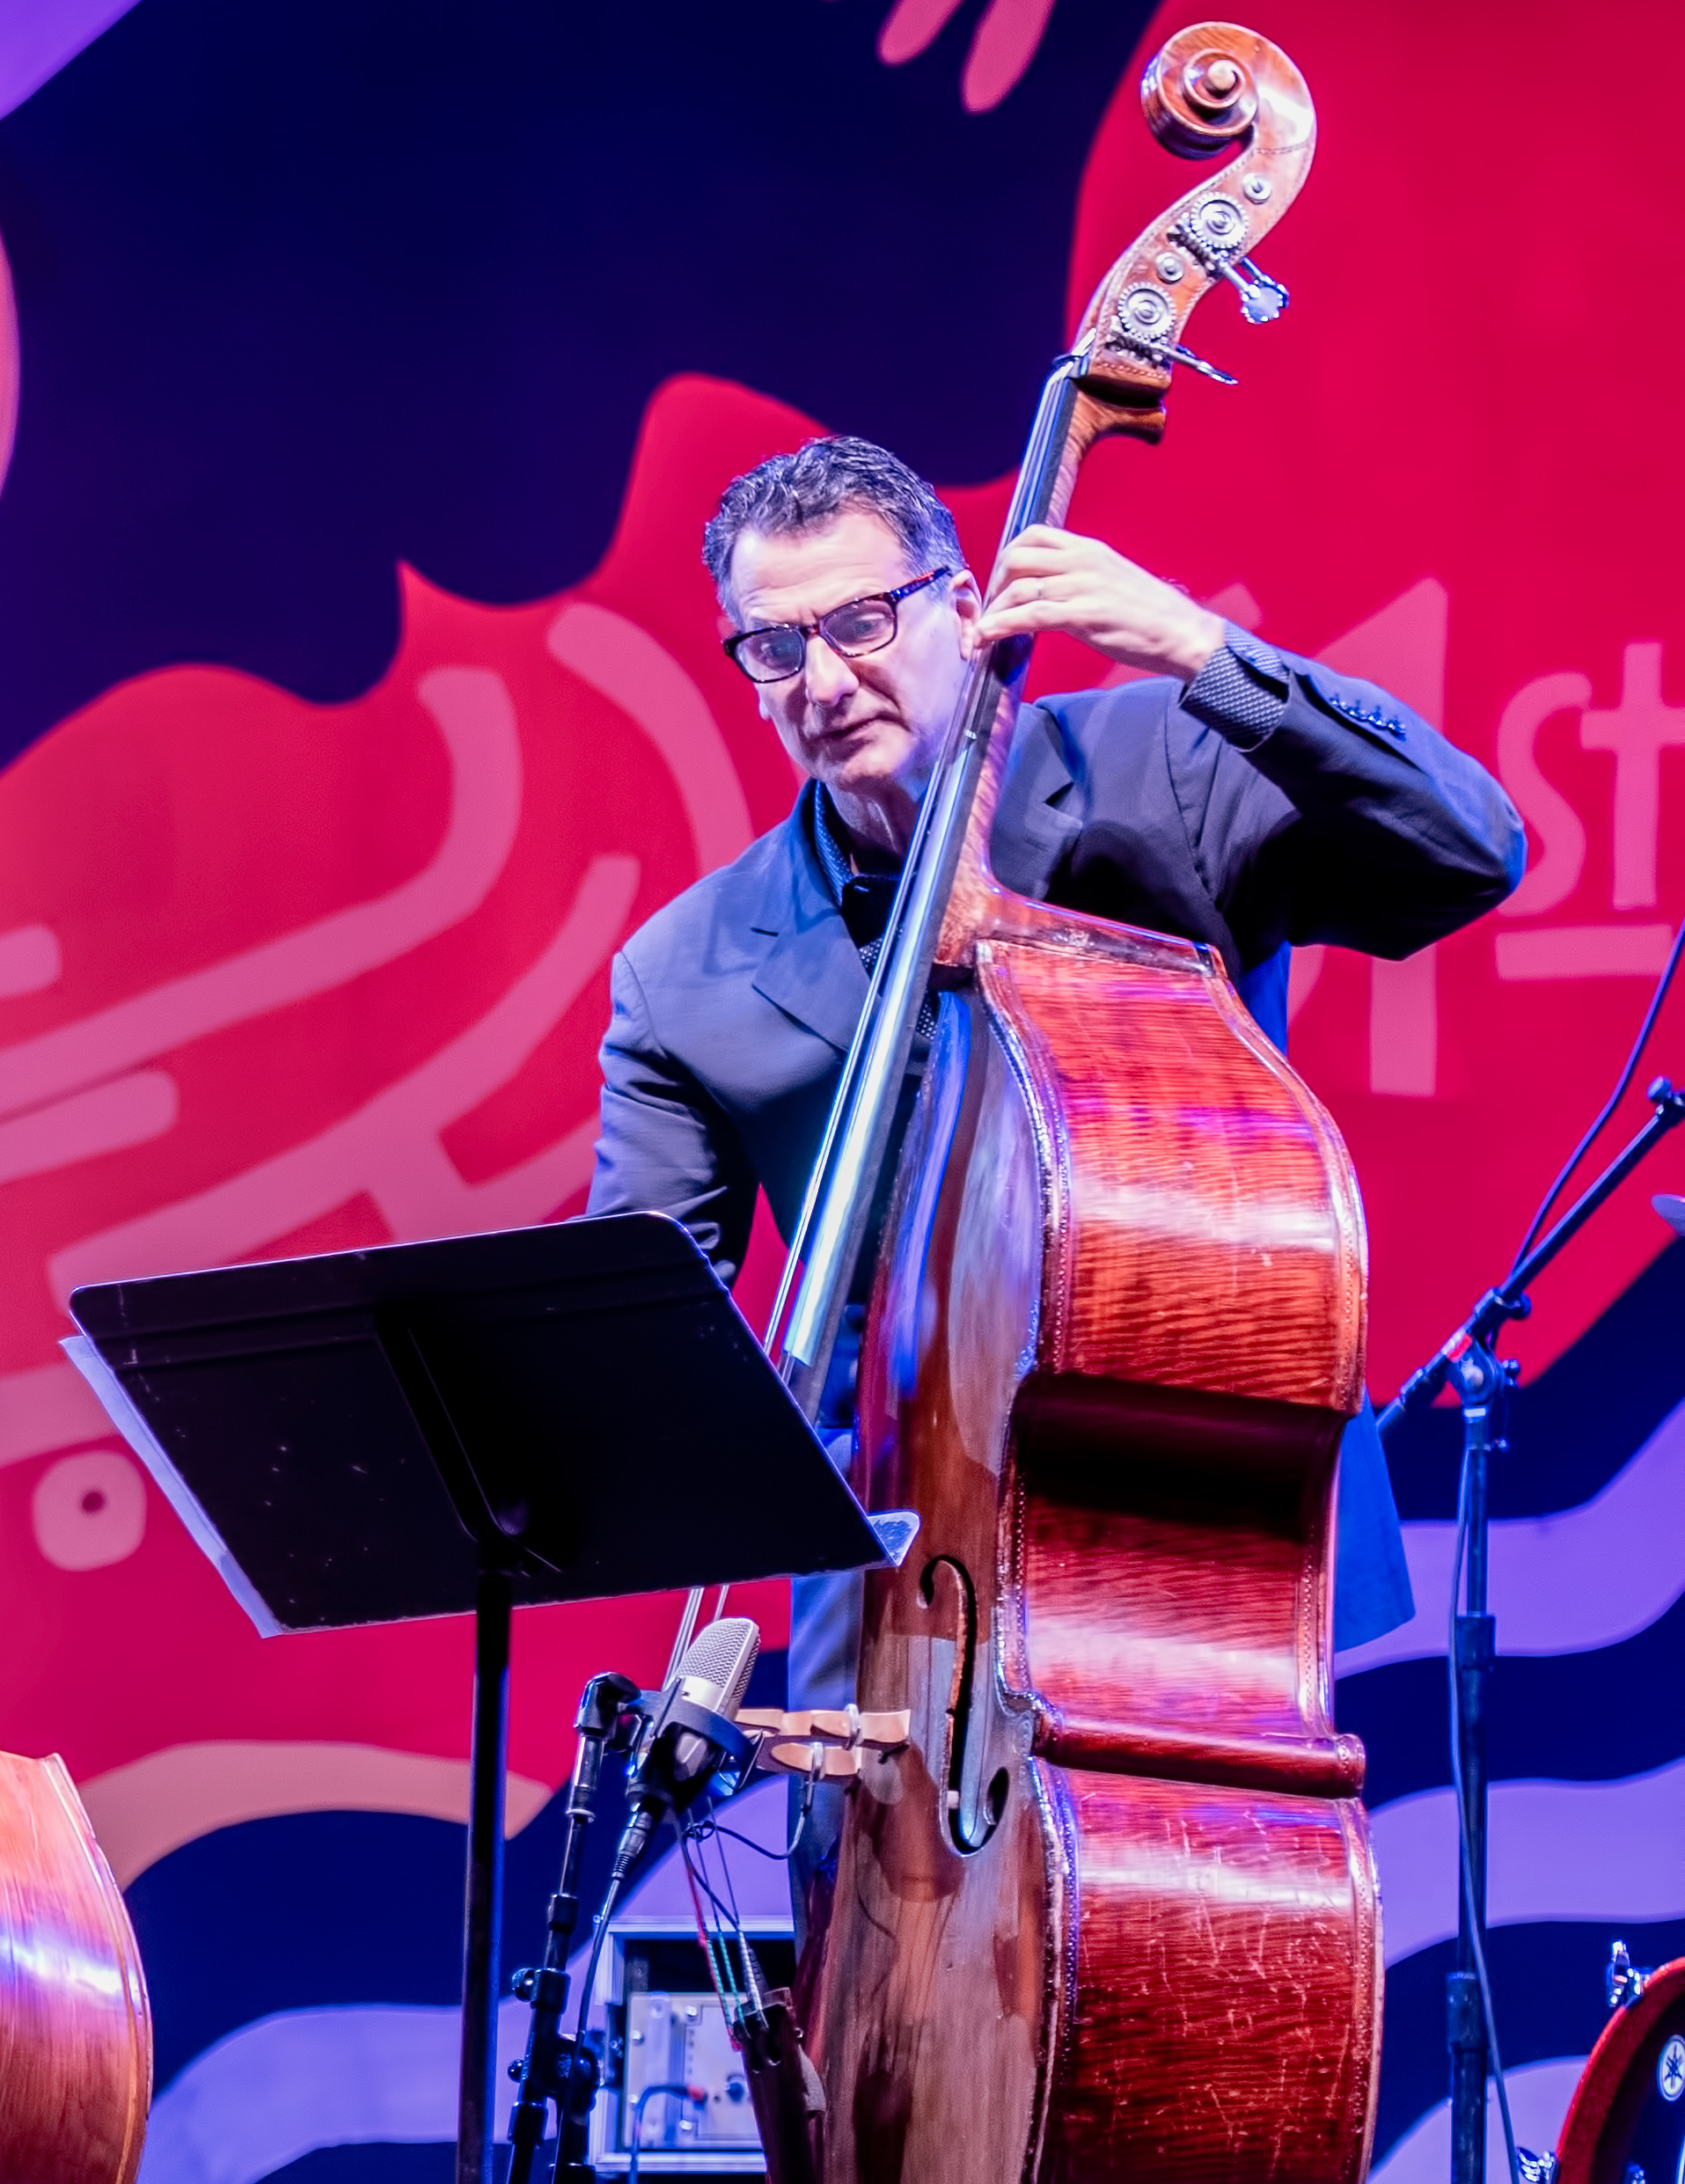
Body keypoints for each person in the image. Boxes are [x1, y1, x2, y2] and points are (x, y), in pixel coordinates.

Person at [587, 435, 1520, 1719]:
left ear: (963, 608)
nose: (824, 678)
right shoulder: (681, 971)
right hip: (898, 1585)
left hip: (1194, 1519)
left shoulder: (1166, 769)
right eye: (775, 645)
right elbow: (644, 1331)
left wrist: (1210, 659)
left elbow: (1464, 852)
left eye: (861, 620)